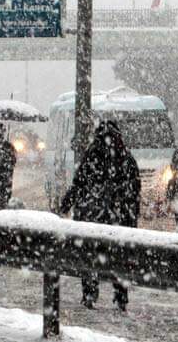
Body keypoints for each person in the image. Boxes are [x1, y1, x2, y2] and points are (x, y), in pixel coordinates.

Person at [58, 121, 140, 311]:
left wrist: (65, 206)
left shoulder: (91, 156)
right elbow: (135, 192)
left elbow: (78, 185)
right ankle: (121, 297)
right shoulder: (126, 159)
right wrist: (132, 219)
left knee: (90, 258)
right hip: (118, 222)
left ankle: (89, 294)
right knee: (119, 260)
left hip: (92, 220)